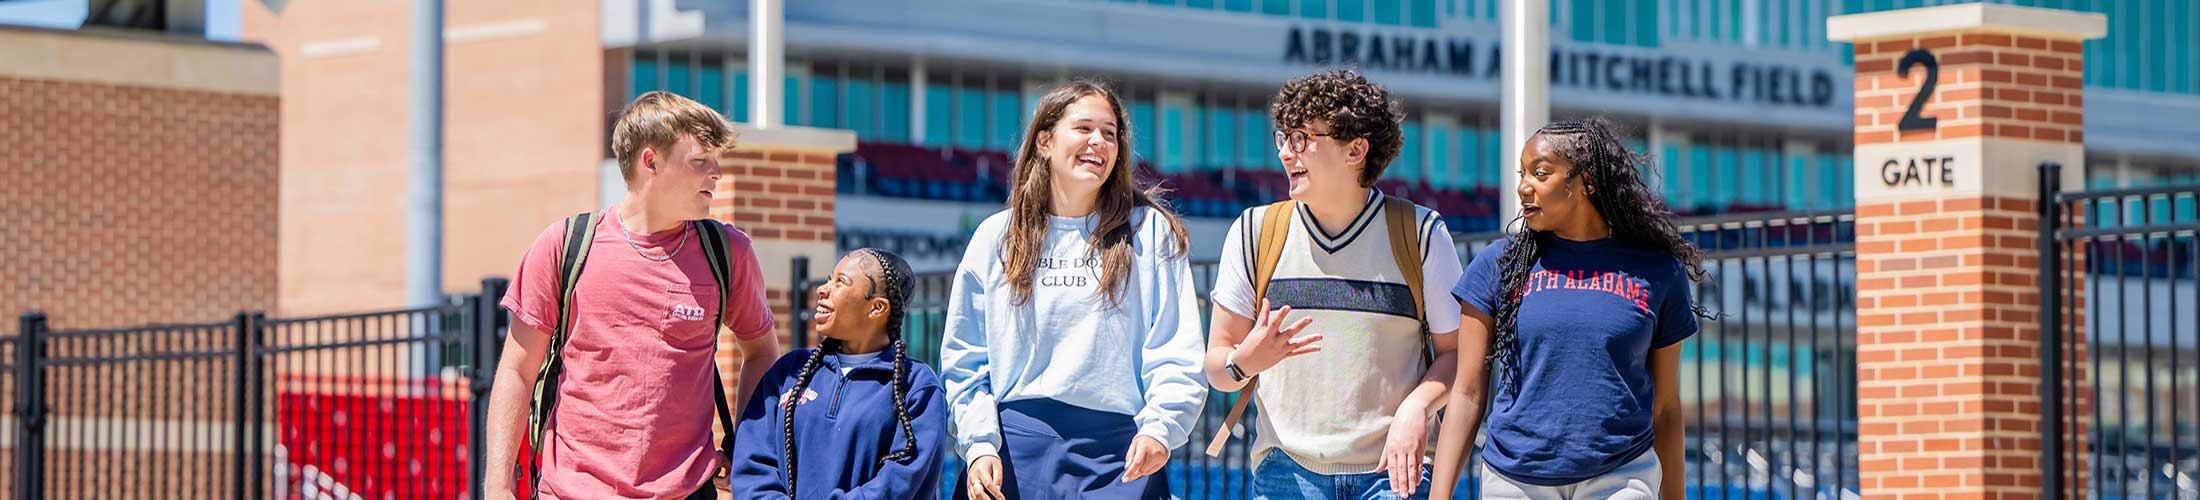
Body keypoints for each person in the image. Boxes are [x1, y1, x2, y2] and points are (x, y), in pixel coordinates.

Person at [482, 91, 782, 499]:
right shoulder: (565, 246)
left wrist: (743, 446)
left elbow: (762, 351)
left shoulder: (728, 253)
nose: (717, 173)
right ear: (651, 161)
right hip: (570, 491)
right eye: (700, 161)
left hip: (687, 492)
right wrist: (498, 485)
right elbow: (517, 370)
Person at [938, 80, 1208, 500]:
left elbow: (1176, 349)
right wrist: (979, 444)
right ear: (1045, 141)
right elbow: (966, 360)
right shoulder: (997, 237)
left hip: (1121, 457)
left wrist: (1161, 428)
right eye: (1083, 128)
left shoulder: (1152, 233)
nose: (1098, 142)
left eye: (1110, 133)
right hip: (1014, 453)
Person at [1203, 69, 1465, 500]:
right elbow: (1218, 368)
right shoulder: (1254, 231)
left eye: (1302, 138)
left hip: (1394, 476)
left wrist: (1417, 406)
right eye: (1283, 138)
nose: (1287, 153)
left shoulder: (1420, 233)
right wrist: (1244, 361)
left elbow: (1458, 355)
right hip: (1286, 473)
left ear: (1356, 149)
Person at [1430, 118, 1705, 500]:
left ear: (1586, 182)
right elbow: (1467, 393)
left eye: (1540, 173)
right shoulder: (1499, 265)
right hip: (1515, 477)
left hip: (1622, 473)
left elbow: (1666, 408)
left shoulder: (1657, 272)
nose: (1523, 186)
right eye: (1522, 173)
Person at [725, 248, 949, 499]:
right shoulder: (788, 372)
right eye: (829, 279)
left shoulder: (916, 386)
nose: (823, 289)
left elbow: (901, 481)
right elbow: (752, 465)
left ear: (876, 307)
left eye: (841, 282)